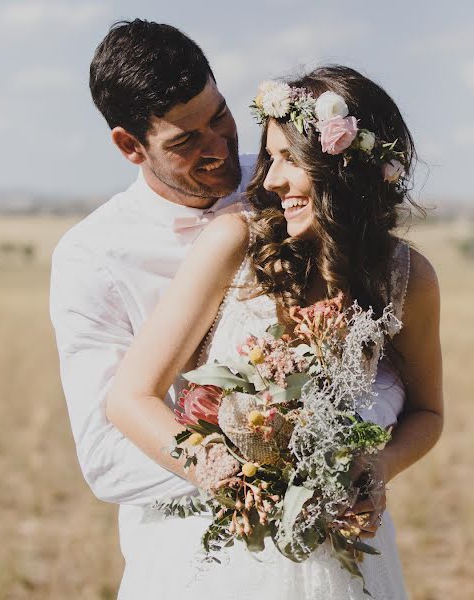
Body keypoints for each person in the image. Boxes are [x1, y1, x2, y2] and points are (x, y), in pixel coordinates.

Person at [105, 66, 443, 598]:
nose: (268, 180)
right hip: (227, 553)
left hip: (342, 553)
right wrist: (220, 475)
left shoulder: (408, 278)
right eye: (271, 158)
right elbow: (129, 397)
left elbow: (429, 413)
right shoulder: (234, 242)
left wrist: (376, 465)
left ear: (344, 165)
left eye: (289, 159)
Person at [49, 19, 255, 596]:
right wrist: (262, 460)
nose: (219, 147)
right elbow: (106, 456)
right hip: (189, 558)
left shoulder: (288, 182)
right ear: (129, 145)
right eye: (184, 141)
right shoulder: (91, 257)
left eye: (219, 116)